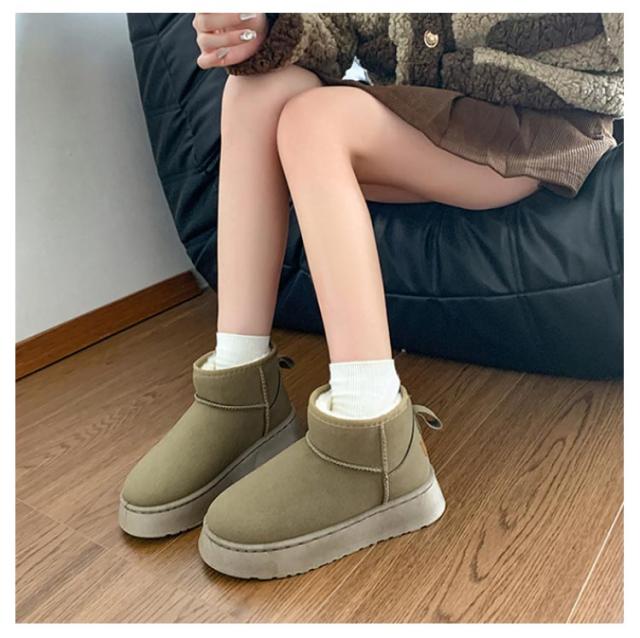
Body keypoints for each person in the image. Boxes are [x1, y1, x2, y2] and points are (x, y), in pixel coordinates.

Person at [118, 13, 623, 579]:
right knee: (255, 91)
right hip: (415, 112)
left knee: (313, 123)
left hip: (533, 122)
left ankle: (374, 442)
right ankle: (240, 396)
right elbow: (338, 28)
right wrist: (267, 27)